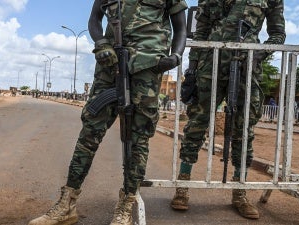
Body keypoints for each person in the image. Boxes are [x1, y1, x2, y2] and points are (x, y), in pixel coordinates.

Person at [28, 0, 187, 225]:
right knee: (89, 133)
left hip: (149, 68)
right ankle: (67, 203)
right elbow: (95, 18)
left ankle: (125, 206)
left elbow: (180, 25)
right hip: (110, 66)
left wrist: (177, 55)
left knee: (138, 139)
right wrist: (101, 43)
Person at [171, 0, 285, 220]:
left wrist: (259, 54)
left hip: (247, 68)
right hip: (209, 66)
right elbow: (200, 33)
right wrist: (192, 71)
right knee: (196, 124)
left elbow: (278, 34)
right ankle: (182, 185)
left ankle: (240, 191)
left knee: (244, 130)